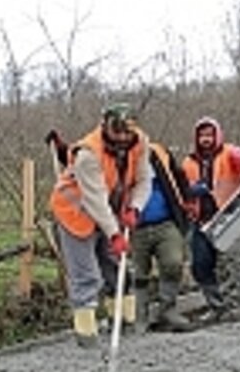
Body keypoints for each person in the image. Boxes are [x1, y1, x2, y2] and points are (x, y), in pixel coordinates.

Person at [49, 103, 152, 347]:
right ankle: (86, 333)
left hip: (110, 208)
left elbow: (144, 179)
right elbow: (94, 199)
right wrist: (115, 235)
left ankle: (124, 320)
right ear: (105, 126)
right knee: (86, 274)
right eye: (118, 132)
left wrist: (135, 207)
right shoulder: (88, 154)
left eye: (127, 132)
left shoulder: (140, 143)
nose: (123, 137)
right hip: (75, 211)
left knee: (115, 266)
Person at [182, 116, 240, 322]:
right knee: (201, 266)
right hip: (202, 221)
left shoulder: (230, 153)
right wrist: (191, 191)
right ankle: (217, 307)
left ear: (217, 135)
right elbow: (182, 188)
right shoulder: (188, 162)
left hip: (230, 217)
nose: (206, 139)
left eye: (209, 135)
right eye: (202, 135)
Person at [131, 139, 194, 332]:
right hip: (135, 226)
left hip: (166, 221)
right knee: (138, 272)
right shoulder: (118, 160)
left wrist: (188, 199)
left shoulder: (159, 154)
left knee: (173, 262)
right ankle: (140, 315)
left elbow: (179, 176)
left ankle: (168, 309)